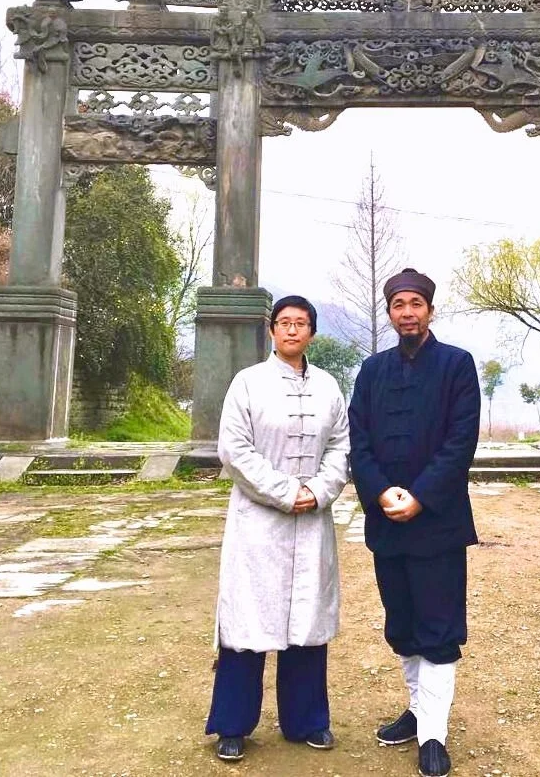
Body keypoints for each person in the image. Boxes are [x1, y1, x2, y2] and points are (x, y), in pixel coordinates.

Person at [348, 268, 481, 777]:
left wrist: (420, 497)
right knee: (402, 624)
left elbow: (459, 442)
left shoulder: (456, 365)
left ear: (430, 310)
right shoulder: (371, 371)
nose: (407, 312)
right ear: (389, 313)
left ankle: (434, 734)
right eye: (399, 304)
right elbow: (358, 440)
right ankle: (417, 708)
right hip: (387, 520)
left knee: (438, 628)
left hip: (437, 522)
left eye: (416, 304)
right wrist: (382, 492)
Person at [205, 295, 350, 763]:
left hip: (312, 519)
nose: (292, 330)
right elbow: (235, 450)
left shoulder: (329, 386)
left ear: (312, 332)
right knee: (249, 618)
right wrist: (286, 492)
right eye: (284, 323)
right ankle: (232, 724)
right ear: (272, 330)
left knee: (307, 620)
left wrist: (319, 490)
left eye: (301, 323)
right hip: (258, 521)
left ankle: (307, 720)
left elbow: (341, 448)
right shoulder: (247, 384)